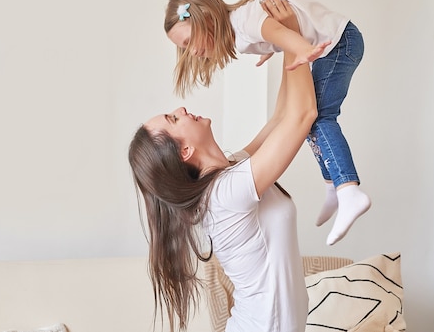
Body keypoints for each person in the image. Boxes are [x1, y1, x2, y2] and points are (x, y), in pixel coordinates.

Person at [163, 0, 371, 246]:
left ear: (206, 17)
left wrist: (298, 48)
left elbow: (276, 32)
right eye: (184, 48)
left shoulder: (242, 21)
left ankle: (346, 187)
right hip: (333, 44)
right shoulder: (227, 184)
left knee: (320, 119)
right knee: (315, 122)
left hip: (339, 43)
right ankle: (336, 184)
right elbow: (278, 35)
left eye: (188, 42)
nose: (191, 51)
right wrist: (280, 45)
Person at [128, 48, 317, 332]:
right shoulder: (225, 194)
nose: (180, 109)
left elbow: (280, 118)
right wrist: (292, 39)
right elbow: (304, 115)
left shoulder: (232, 173)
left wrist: (282, 42)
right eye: (173, 119)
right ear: (185, 151)